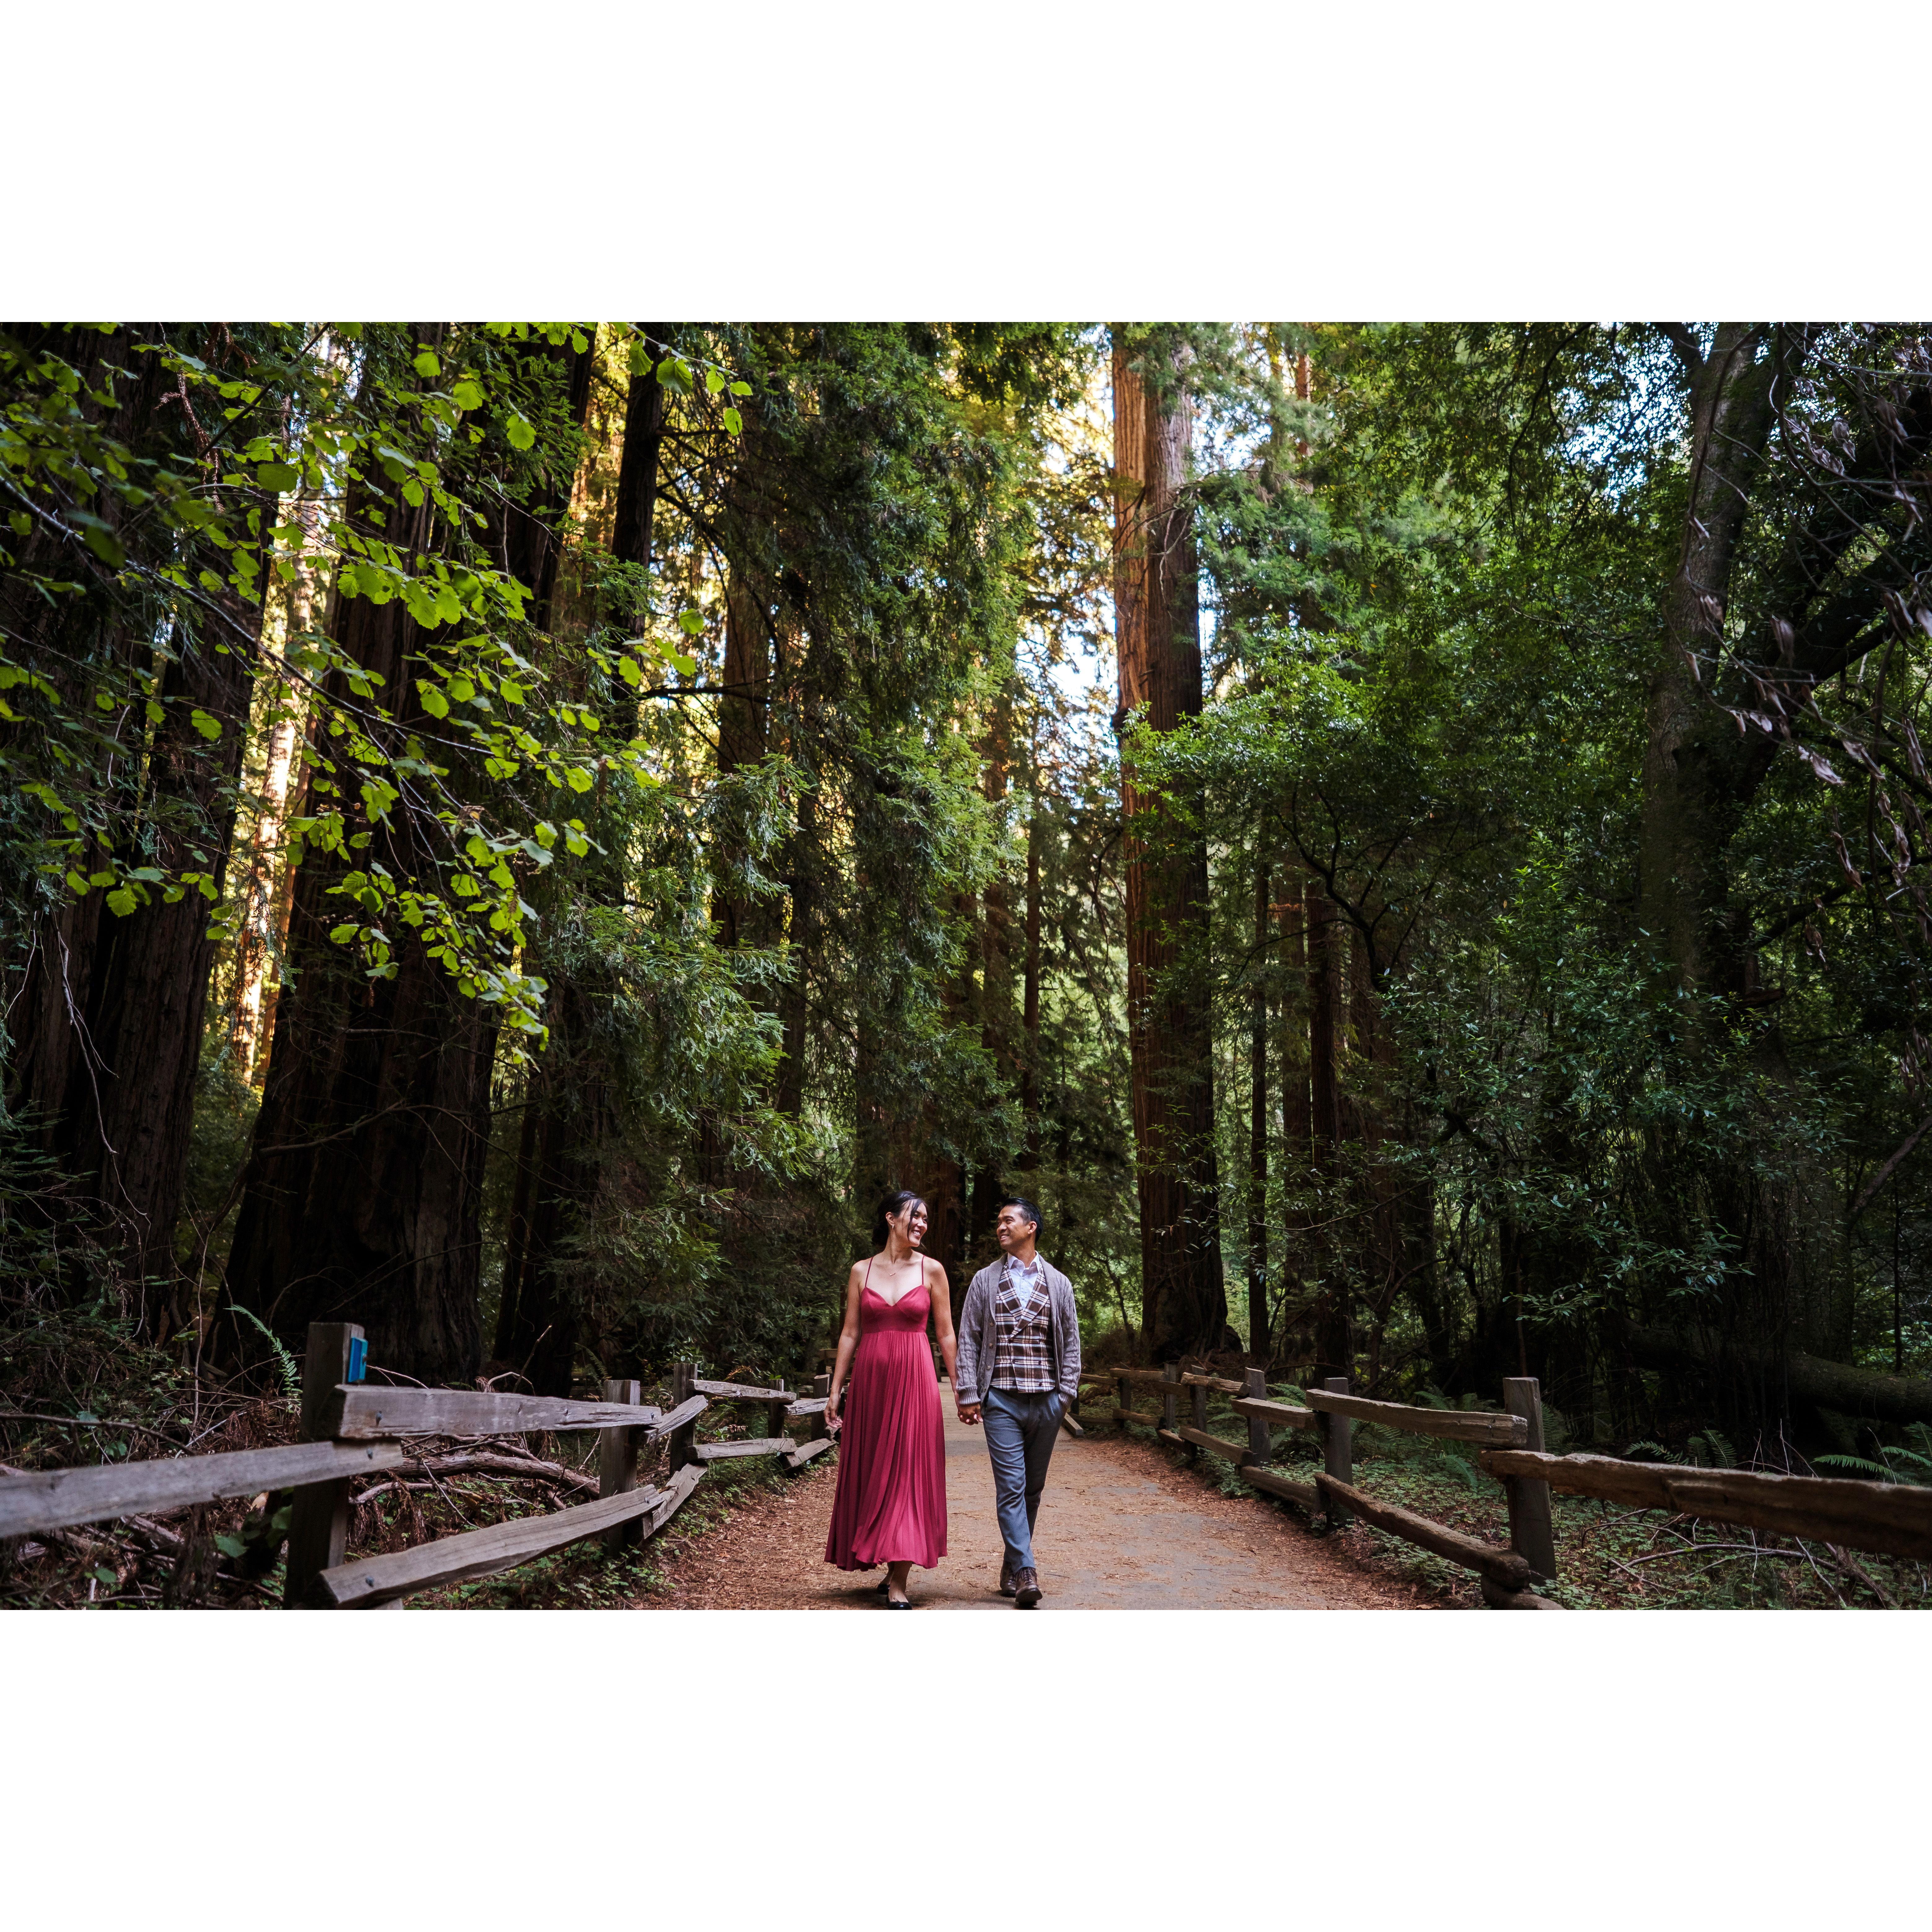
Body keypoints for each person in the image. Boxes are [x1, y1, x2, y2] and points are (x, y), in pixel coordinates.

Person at [823, 1190, 955, 1606]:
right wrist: (835, 1391)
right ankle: (886, 1556)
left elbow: (946, 1333)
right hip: (871, 1386)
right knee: (876, 1472)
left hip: (916, 1382)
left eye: (926, 1219)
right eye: (915, 1216)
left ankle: (899, 1579)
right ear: (891, 1219)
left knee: (908, 1475)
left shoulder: (932, 1271)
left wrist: (962, 1387)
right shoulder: (861, 1271)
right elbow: (849, 1333)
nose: (922, 1224)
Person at [951, 1196, 1080, 1608]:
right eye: (999, 1222)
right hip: (1002, 1401)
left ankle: (1011, 1565)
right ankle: (1027, 1573)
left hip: (1046, 1403)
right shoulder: (984, 1281)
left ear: (1031, 1228)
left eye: (1009, 1221)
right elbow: (968, 1339)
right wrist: (971, 1394)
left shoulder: (1058, 1283)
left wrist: (1065, 1396)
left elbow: (1072, 1344)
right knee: (1012, 1486)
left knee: (1033, 1489)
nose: (1001, 1228)